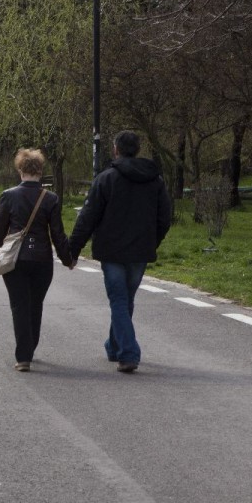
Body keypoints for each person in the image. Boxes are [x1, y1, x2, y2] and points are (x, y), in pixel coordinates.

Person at [69, 130, 171, 374]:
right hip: (140, 251)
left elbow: (88, 217)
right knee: (126, 299)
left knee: (119, 299)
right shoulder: (155, 180)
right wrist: (151, 241)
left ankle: (128, 354)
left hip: (112, 250)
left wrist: (73, 249)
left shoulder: (106, 179)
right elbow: (164, 218)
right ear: (137, 149)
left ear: (116, 149)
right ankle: (114, 346)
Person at [0, 149, 73, 372]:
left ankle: (23, 356)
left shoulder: (8, 196)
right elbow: (57, 234)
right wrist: (68, 259)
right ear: (40, 171)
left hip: (15, 260)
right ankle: (31, 347)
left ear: (20, 170)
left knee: (19, 306)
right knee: (35, 305)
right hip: (42, 260)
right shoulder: (51, 199)